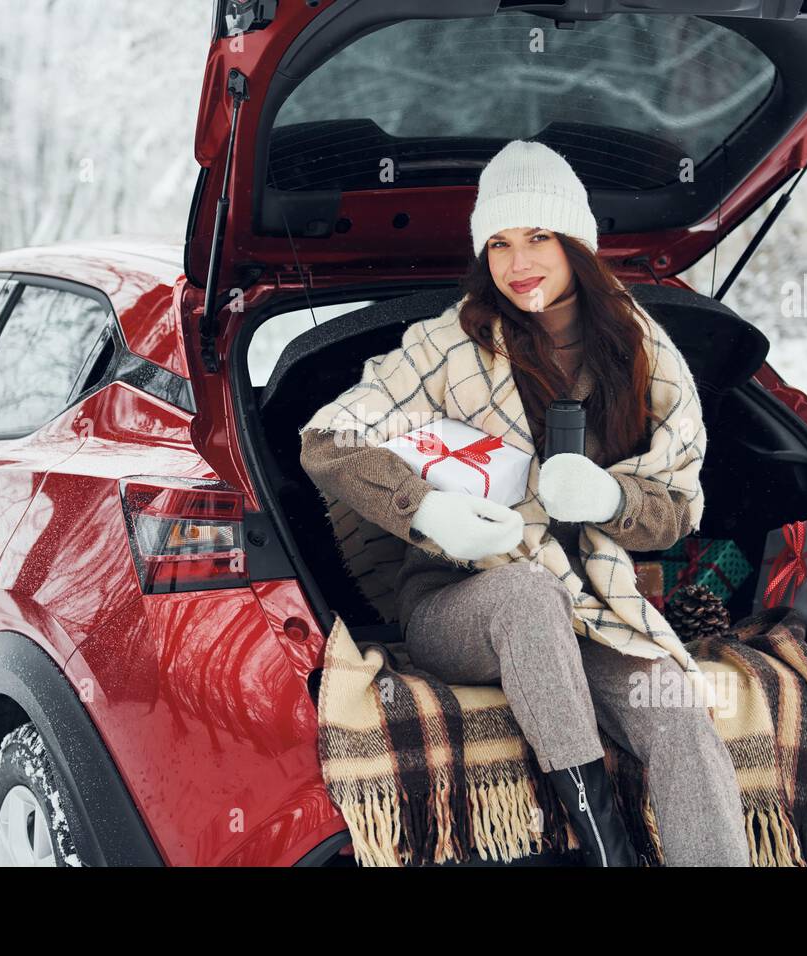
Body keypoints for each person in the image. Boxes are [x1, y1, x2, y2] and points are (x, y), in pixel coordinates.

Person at [300, 140, 750, 868]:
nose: (519, 263)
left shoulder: (641, 348)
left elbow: (674, 508)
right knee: (526, 596)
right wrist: (424, 509)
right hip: (459, 605)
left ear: (577, 244)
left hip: (595, 604)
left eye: (539, 236)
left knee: (674, 711)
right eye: (501, 244)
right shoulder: (446, 347)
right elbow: (327, 440)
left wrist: (612, 497)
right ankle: (607, 848)